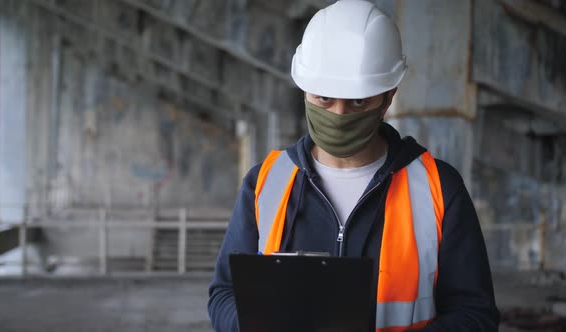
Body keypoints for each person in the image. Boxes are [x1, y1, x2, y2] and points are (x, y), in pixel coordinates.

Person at [208, 0, 499, 331]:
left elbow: (476, 313)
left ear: (389, 96)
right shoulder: (265, 184)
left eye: (358, 100)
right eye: (324, 99)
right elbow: (223, 294)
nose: (339, 114)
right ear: (305, 90)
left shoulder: (438, 187)